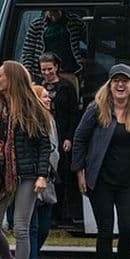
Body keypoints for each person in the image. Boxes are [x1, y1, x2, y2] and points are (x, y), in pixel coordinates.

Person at [71, 63, 130, 259]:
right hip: (101, 182)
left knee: (128, 230)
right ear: (109, 85)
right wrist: (80, 173)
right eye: (116, 80)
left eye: (124, 81)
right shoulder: (96, 109)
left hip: (128, 183)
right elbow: (79, 139)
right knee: (105, 231)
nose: (120, 84)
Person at [0, 61, 52, 259]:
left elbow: (44, 144)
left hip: (27, 175)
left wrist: (43, 174)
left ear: (11, 78)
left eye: (0, 75)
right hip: (2, 176)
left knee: (21, 228)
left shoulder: (32, 107)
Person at [38, 52, 81, 225]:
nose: (47, 73)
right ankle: (50, 213)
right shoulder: (38, 87)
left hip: (63, 135)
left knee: (63, 173)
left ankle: (65, 213)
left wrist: (69, 137)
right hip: (45, 134)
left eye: (49, 69)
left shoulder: (66, 87)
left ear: (56, 67)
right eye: (43, 70)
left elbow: (73, 114)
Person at [25, 84, 59, 259]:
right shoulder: (32, 120)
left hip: (50, 180)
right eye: (44, 97)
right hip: (35, 178)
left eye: (48, 97)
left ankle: (29, 257)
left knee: (45, 226)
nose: (48, 100)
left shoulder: (51, 119)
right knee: (33, 226)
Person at [21, 9, 86, 86]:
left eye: (55, 11)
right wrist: (28, 73)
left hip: (69, 72)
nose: (53, 16)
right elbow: (28, 51)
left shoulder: (75, 22)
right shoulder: (37, 25)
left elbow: (89, 38)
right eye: (50, 12)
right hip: (43, 75)